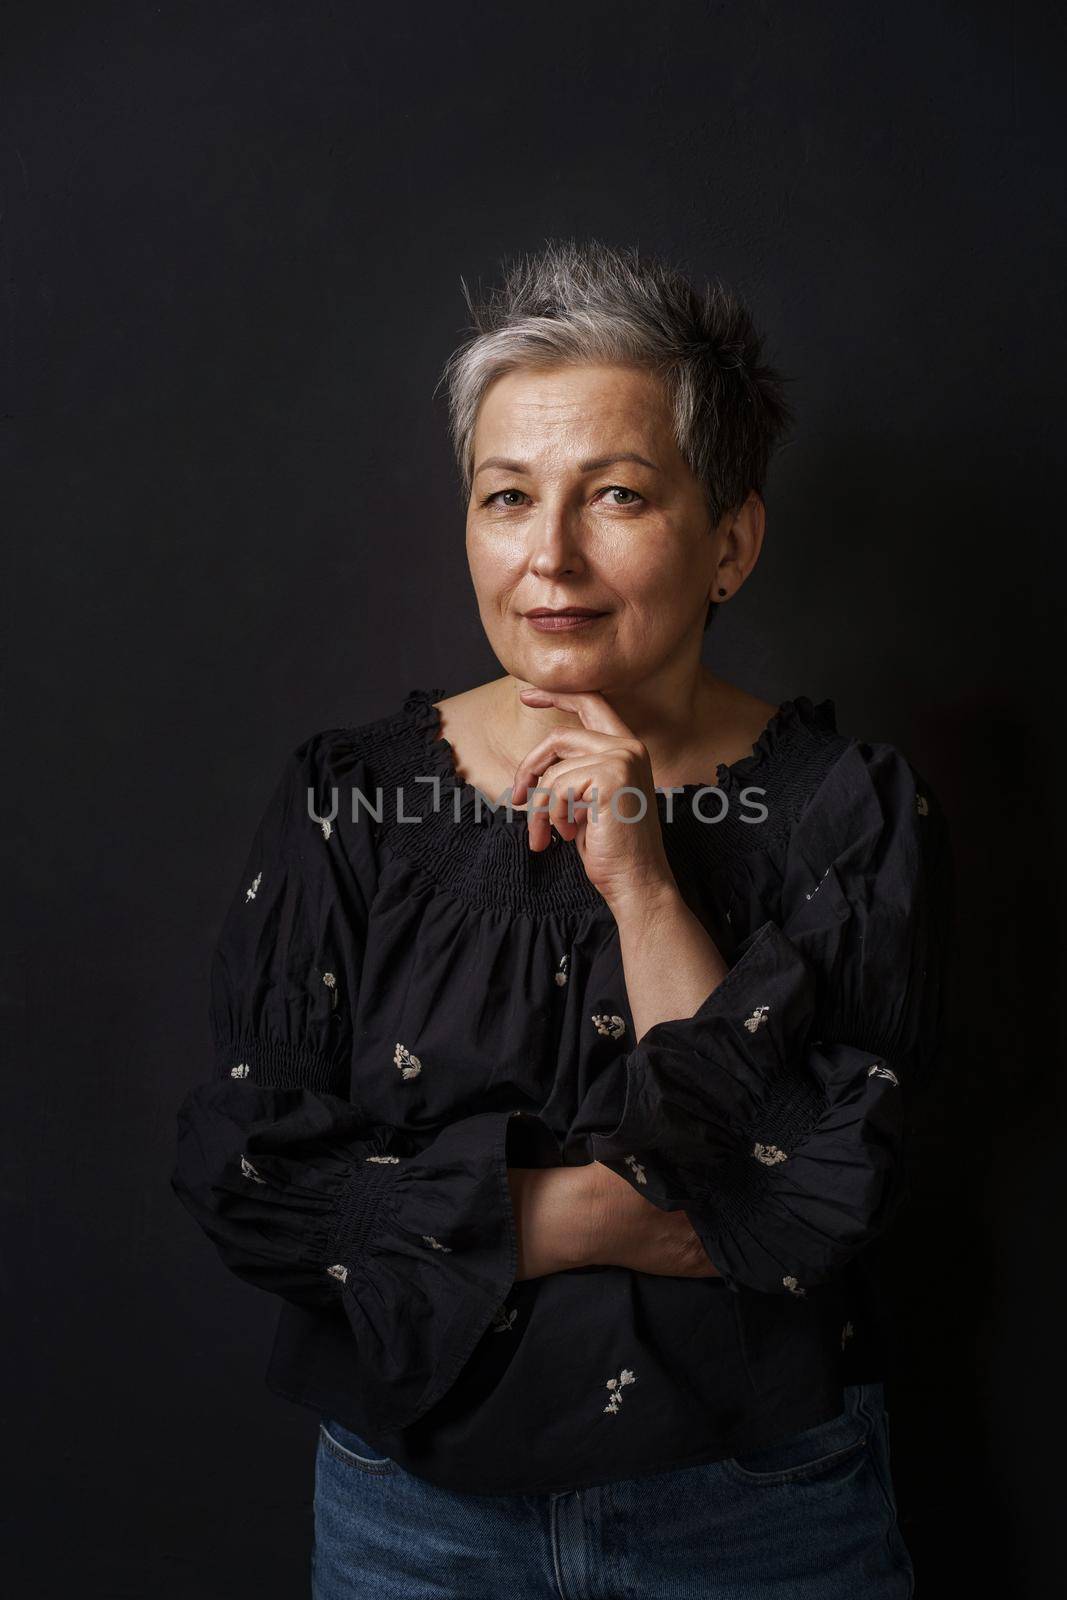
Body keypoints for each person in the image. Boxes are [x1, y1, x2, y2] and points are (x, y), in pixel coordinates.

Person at [171, 238, 954, 1598]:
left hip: (764, 1510)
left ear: (731, 542)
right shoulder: (348, 800)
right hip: (413, 1513)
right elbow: (256, 1179)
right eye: (506, 496)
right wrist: (592, 1214)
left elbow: (802, 1206)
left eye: (618, 496)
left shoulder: (845, 812)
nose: (549, 558)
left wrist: (645, 880)